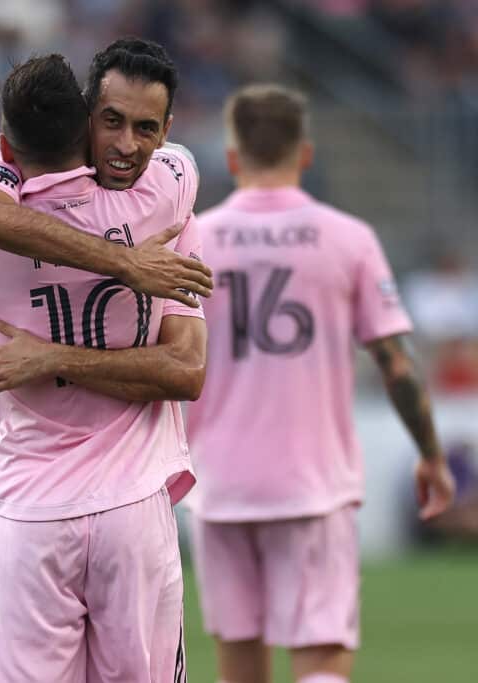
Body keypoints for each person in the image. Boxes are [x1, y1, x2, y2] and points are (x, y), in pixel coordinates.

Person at [0, 39, 210, 683]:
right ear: (83, 117)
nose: (127, 144)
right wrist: (125, 262)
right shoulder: (165, 201)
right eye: (113, 121)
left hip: (31, 496)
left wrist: (47, 358)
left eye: (145, 127)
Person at [183, 84, 456, 683]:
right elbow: (397, 362)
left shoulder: (193, 240)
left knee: (239, 667)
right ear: (305, 153)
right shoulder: (347, 237)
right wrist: (432, 456)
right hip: (312, 483)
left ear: (232, 158)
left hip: (219, 483)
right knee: (322, 660)